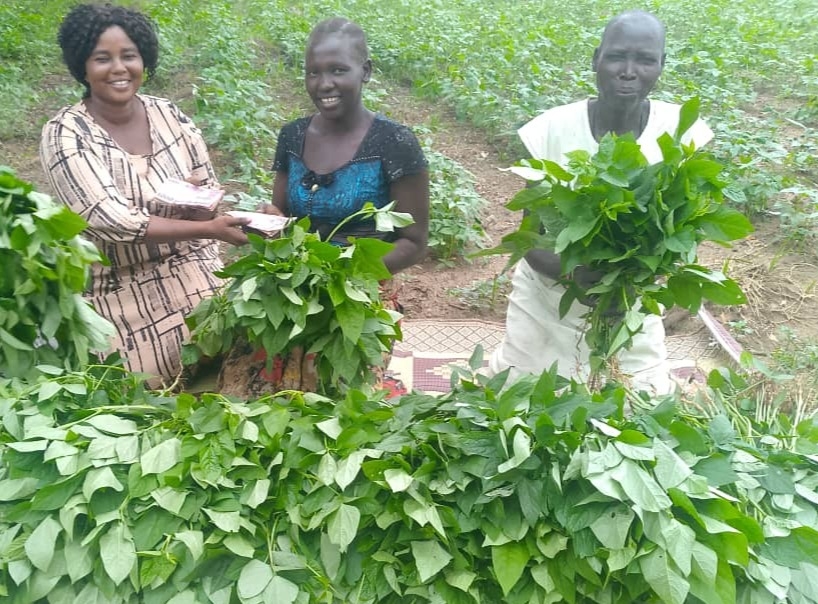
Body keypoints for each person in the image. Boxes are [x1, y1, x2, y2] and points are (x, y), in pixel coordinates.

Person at [489, 10, 714, 394]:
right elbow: (529, 239)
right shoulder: (553, 130)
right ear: (596, 59)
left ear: (662, 65)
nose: (628, 71)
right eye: (616, 56)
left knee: (642, 404)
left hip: (630, 304)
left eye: (645, 60)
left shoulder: (682, 132)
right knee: (521, 399)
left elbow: (684, 234)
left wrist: (637, 279)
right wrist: (574, 273)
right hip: (549, 297)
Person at [40, 3, 250, 385]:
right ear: (82, 67)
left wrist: (216, 215)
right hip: (119, 286)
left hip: (194, 269)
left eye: (129, 56)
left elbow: (205, 186)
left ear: (144, 60)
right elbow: (109, 221)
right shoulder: (66, 133)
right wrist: (210, 228)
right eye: (102, 58)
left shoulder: (170, 115)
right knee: (142, 398)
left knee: (240, 360)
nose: (119, 69)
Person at [268, 17, 429, 275]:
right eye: (313, 72)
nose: (324, 84)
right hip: (294, 285)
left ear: (365, 71)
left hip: (362, 295)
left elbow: (414, 242)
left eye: (338, 70)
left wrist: (340, 274)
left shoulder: (394, 142)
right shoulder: (293, 135)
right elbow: (281, 215)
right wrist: (268, 220)